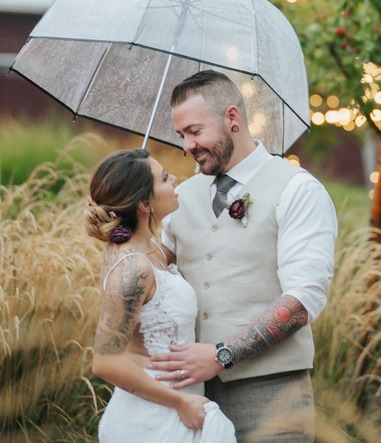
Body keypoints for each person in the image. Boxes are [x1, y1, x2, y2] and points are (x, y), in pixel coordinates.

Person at [149, 70, 338, 442]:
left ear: (232, 118)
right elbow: (149, 275)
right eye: (181, 135)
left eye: (195, 131)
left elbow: (303, 300)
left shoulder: (298, 189)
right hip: (188, 397)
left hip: (272, 394)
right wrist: (123, 213)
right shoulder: (179, 197)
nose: (186, 145)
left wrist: (221, 355)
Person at [85, 147, 236, 443]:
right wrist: (180, 402)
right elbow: (104, 362)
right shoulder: (132, 267)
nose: (175, 178)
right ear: (144, 203)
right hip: (153, 419)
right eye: (165, 178)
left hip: (175, 408)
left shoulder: (152, 250)